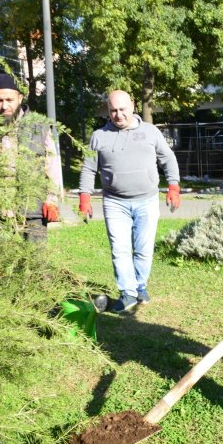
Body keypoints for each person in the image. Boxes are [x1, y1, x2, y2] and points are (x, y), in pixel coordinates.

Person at [78, 90, 181, 313]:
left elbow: (168, 158)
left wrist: (173, 186)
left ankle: (140, 287)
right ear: (108, 110)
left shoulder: (150, 132)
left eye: (122, 109)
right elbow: (88, 168)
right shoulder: (99, 136)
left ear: (132, 106)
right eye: (113, 110)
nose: (118, 114)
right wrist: (84, 197)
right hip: (115, 202)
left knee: (144, 249)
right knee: (120, 249)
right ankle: (128, 292)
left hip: (147, 200)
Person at [0, 72, 63, 244]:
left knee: (36, 262)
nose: (4, 106)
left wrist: (52, 200)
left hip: (32, 208)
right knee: (1, 261)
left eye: (9, 100)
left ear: (20, 97)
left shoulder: (39, 126)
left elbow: (52, 165)